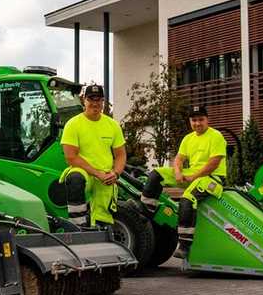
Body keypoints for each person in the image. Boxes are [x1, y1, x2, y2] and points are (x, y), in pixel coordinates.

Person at [140, 105, 227, 257]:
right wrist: (178, 172)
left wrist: (194, 177)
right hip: (192, 176)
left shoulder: (216, 136)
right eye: (194, 120)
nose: (197, 123)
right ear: (190, 121)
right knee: (156, 174)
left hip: (212, 178)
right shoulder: (188, 138)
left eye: (201, 119)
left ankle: (185, 245)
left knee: (187, 199)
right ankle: (146, 212)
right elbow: (179, 159)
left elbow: (214, 162)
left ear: (207, 120)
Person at [59, 83, 126, 228]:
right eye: (91, 99)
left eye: (99, 100)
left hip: (106, 175)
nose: (95, 103)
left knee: (103, 219)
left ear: (103, 102)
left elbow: (120, 155)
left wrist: (115, 173)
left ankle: (102, 230)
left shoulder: (113, 125)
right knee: (75, 178)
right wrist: (97, 173)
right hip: (84, 172)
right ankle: (78, 226)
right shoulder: (73, 124)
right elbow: (71, 157)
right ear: (84, 100)